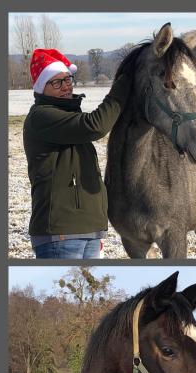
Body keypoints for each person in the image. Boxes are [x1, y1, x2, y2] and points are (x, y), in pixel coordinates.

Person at [23, 48, 132, 259]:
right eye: (57, 82)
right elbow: (95, 125)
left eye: (68, 79)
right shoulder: (42, 117)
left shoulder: (68, 113)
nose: (66, 86)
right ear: (40, 87)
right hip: (61, 234)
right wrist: (124, 83)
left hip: (88, 230)